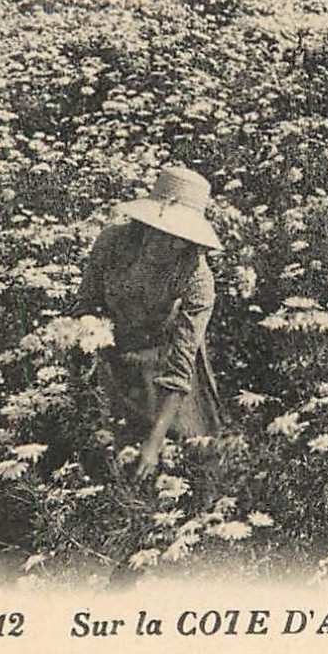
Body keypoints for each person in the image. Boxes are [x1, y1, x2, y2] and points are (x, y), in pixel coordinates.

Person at [75, 166, 225, 479]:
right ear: (145, 224)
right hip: (109, 347)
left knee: (190, 452)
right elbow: (86, 304)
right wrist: (92, 350)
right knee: (100, 445)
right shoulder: (112, 243)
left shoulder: (197, 278)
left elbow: (180, 368)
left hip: (164, 353)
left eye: (179, 238)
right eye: (160, 230)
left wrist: (154, 444)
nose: (167, 243)